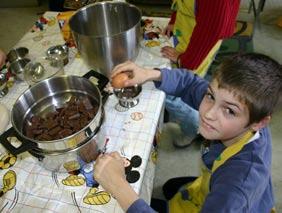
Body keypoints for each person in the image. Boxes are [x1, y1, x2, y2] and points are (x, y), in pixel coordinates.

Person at [94, 53, 282, 212]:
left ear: (259, 123)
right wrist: (149, 74)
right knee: (170, 188)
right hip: (210, 183)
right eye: (210, 96)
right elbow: (191, 84)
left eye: (229, 111)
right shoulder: (248, 116)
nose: (208, 113)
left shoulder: (235, 188)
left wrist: (118, 187)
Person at [161, 0, 241, 148]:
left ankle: (194, 128)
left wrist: (185, 60)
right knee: (182, 86)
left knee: (172, 94)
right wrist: (175, 19)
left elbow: (213, 28)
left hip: (199, 45)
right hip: (187, 32)